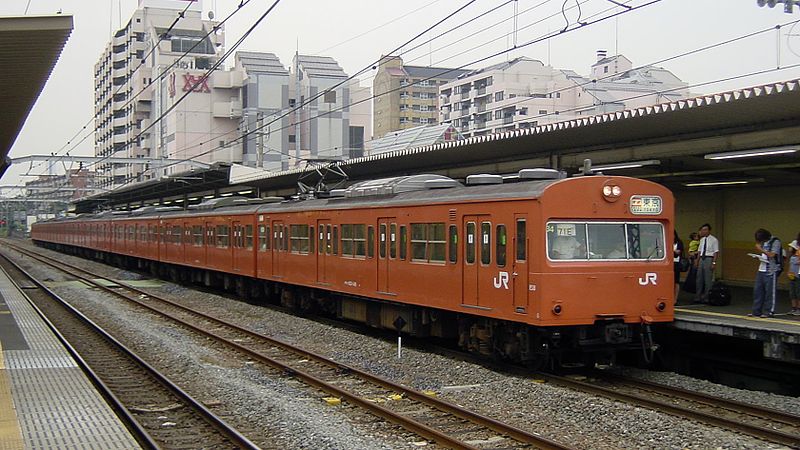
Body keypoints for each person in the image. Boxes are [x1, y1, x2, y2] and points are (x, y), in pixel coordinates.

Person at [749, 228, 781, 318]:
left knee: (769, 292)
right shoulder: (763, 242)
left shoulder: (775, 241)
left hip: (771, 270)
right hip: (761, 269)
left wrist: (761, 250)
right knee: (758, 291)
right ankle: (756, 311)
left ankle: (769, 311)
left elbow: (772, 255)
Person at [694, 224, 719, 304]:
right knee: (699, 279)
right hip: (701, 258)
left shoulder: (714, 240)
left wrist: (714, 263)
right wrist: (697, 261)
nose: (703, 231)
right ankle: (698, 296)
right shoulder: (702, 240)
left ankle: (707, 297)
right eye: (702, 230)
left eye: (705, 230)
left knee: (708, 279)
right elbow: (699, 251)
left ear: (709, 230)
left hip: (709, 258)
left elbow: (716, 252)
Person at [789, 240, 800, 316]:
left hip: (798, 276)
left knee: (798, 292)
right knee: (792, 293)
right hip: (792, 276)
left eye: (791, 247)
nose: (789, 248)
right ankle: (793, 307)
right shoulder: (792, 257)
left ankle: (799, 308)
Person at [673, 230, 684, 304]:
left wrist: (673, 251)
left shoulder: (679, 242)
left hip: (676, 263)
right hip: (669, 263)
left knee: (676, 282)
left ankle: (675, 299)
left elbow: (678, 252)